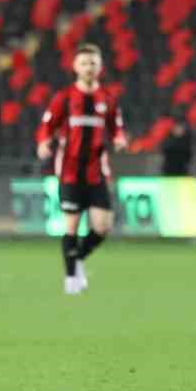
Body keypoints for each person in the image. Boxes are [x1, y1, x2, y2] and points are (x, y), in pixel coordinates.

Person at [37, 42, 127, 295]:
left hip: (97, 171)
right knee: (72, 226)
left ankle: (76, 261)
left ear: (100, 67)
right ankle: (71, 279)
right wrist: (44, 142)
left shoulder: (107, 99)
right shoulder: (64, 98)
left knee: (103, 226)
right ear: (75, 67)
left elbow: (116, 126)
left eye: (93, 63)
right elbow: (47, 125)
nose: (89, 67)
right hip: (69, 171)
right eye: (85, 63)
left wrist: (119, 139)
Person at [161, 112, 192, 177]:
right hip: (168, 171)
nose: (179, 129)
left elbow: (188, 156)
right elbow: (165, 152)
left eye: (181, 127)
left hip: (181, 171)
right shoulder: (168, 139)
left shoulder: (186, 141)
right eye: (177, 127)